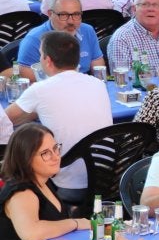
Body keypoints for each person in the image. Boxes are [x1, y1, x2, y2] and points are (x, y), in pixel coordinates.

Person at [6, 31, 109, 201]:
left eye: (41, 54)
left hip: (67, 184)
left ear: (47, 60)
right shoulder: (98, 84)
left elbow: (6, 119)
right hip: (108, 177)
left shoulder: (40, 90)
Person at [0, 125, 82, 240]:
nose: (55, 156)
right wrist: (75, 223)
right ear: (25, 158)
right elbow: (31, 232)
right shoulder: (21, 192)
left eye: (55, 148)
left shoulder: (43, 180)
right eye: (45, 153)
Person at [13, 0, 105, 80]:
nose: (71, 21)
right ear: (50, 14)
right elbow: (27, 80)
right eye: (63, 15)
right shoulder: (34, 40)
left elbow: (99, 72)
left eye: (76, 14)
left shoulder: (87, 31)